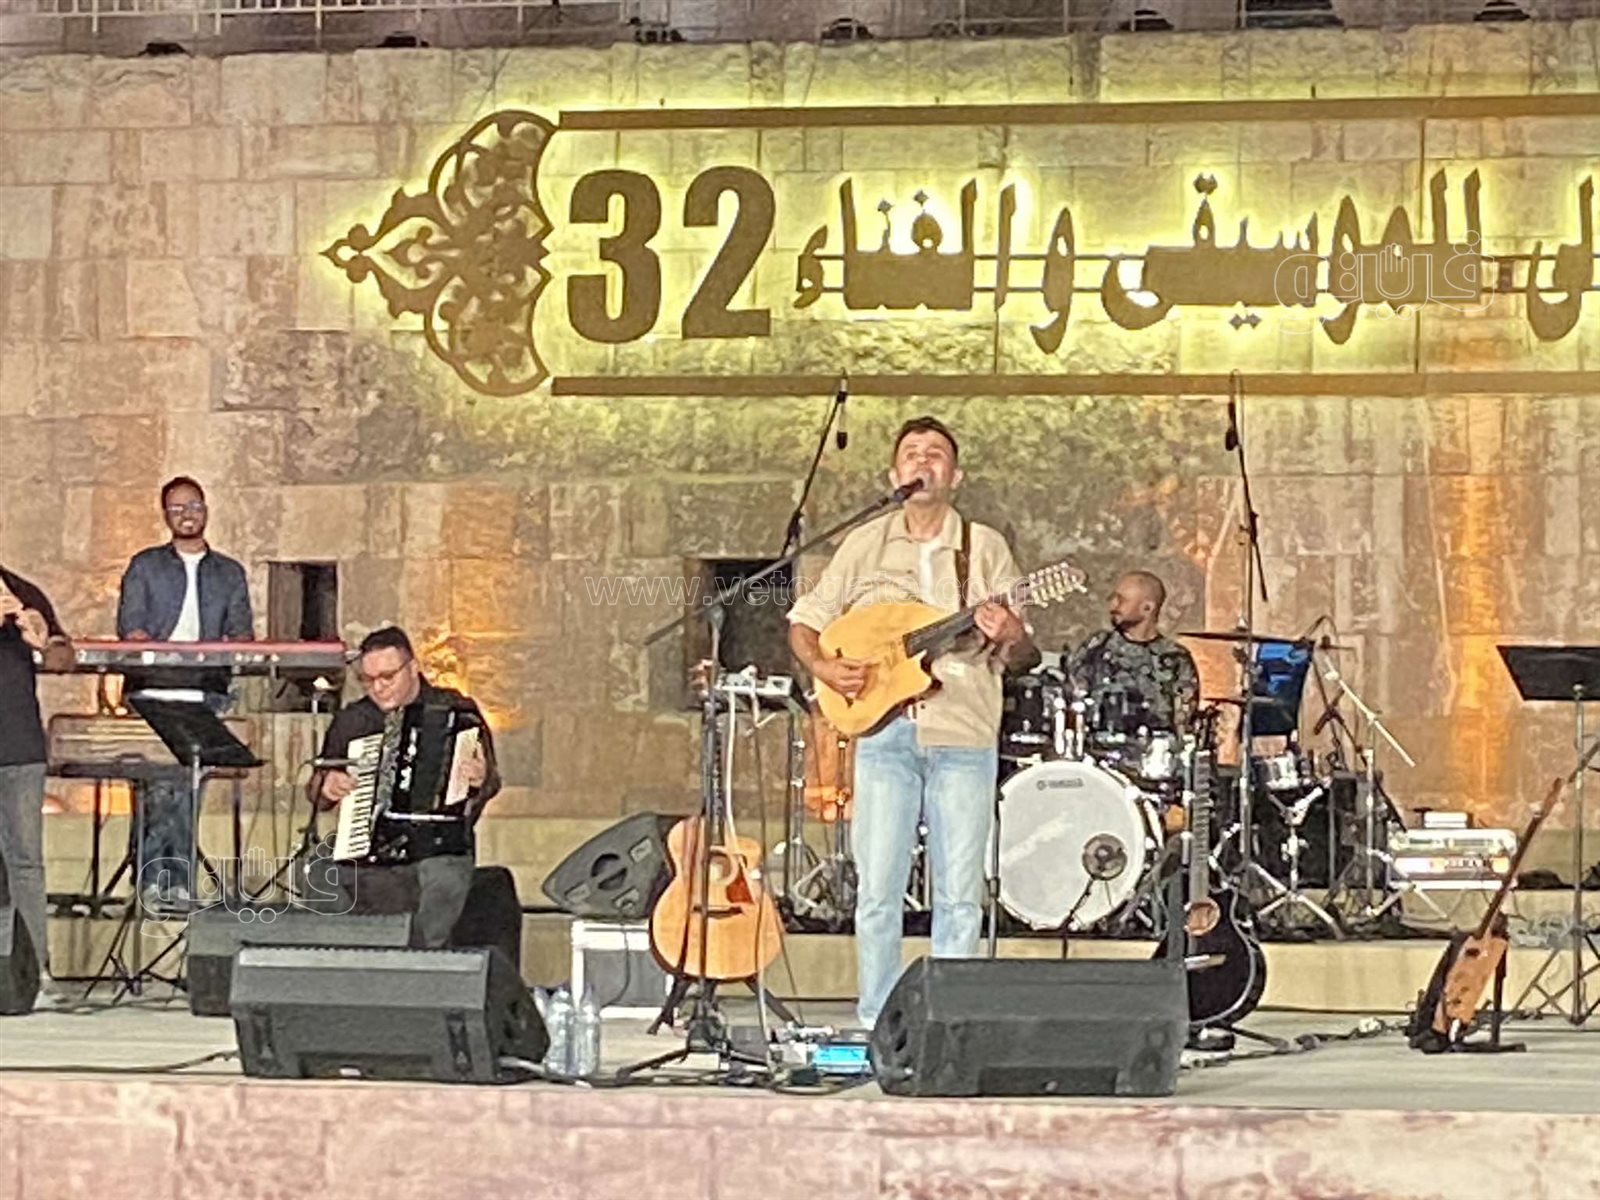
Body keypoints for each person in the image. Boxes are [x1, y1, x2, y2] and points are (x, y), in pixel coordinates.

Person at [787, 416, 1037, 1026]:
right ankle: (877, 1020)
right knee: (877, 892)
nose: (923, 462)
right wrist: (824, 667)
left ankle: (951, 1023)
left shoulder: (984, 547)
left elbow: (1023, 654)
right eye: (911, 454)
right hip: (882, 734)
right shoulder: (864, 542)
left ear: (956, 475)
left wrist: (1011, 632)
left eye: (936, 454)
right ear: (894, 473)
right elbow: (806, 620)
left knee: (958, 896)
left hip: (962, 732)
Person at [310, 627, 498, 947]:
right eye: (368, 680)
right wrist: (326, 786)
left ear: (412, 668)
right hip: (369, 843)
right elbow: (316, 790)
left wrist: (481, 778)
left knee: (444, 878)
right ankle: (349, 960)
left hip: (438, 845)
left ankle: (421, 964)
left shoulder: (457, 710)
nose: (378, 687)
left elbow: (491, 782)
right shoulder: (354, 720)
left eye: (387, 676)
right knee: (315, 873)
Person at [116, 476, 253, 907]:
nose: (186, 514)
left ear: (206, 509)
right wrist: (151, 647)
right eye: (176, 508)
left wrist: (227, 650)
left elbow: (242, 633)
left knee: (187, 788)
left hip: (202, 694)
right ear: (165, 515)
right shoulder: (144, 566)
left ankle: (168, 882)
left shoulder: (229, 572)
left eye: (193, 505)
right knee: (159, 788)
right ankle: (157, 881)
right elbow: (131, 628)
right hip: (154, 693)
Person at [0, 566, 71, 994]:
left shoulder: (21, 592)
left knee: (25, 861)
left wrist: (43, 642)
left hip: (19, 746)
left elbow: (64, 660)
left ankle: (35, 971)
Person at [1067, 570, 1199, 738]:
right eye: (1113, 598)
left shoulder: (1175, 658)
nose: (1113, 606)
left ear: (1147, 608)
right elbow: (1072, 696)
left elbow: (1183, 722)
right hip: (1095, 746)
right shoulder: (1097, 646)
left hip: (1153, 749)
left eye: (1121, 600)